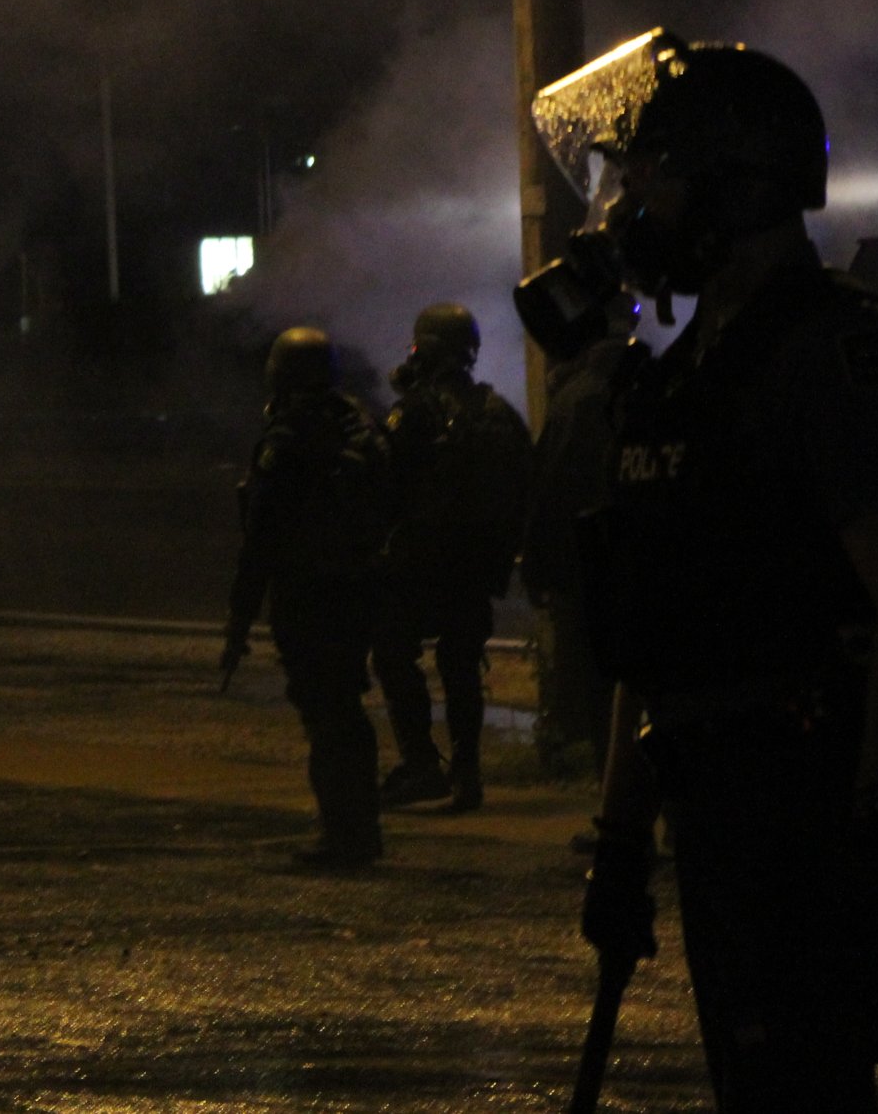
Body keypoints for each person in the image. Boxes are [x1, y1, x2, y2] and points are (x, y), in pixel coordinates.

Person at [520, 31, 878, 1112]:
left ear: (728, 182)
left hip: (809, 814)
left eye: (647, 174)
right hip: (719, 812)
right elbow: (652, 638)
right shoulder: (677, 379)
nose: (625, 207)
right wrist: (619, 840)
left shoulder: (838, 354)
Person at [225, 327, 392, 869]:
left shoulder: (289, 438)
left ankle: (342, 835)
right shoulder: (361, 428)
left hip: (308, 597)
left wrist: (240, 617)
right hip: (358, 591)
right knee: (347, 709)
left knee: (326, 716)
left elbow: (261, 538)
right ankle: (361, 827)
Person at [371, 302, 534, 812]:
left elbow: (385, 485)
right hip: (477, 566)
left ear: (428, 350)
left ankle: (421, 765)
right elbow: (525, 486)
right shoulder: (500, 412)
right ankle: (467, 774)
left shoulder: (414, 411)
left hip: (421, 563)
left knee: (395, 654)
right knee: (462, 665)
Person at [518, 292, 640, 770]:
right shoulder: (654, 381)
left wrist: (540, 566)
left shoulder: (578, 396)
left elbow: (556, 489)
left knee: (600, 694)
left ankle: (616, 813)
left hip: (592, 573)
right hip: (644, 563)